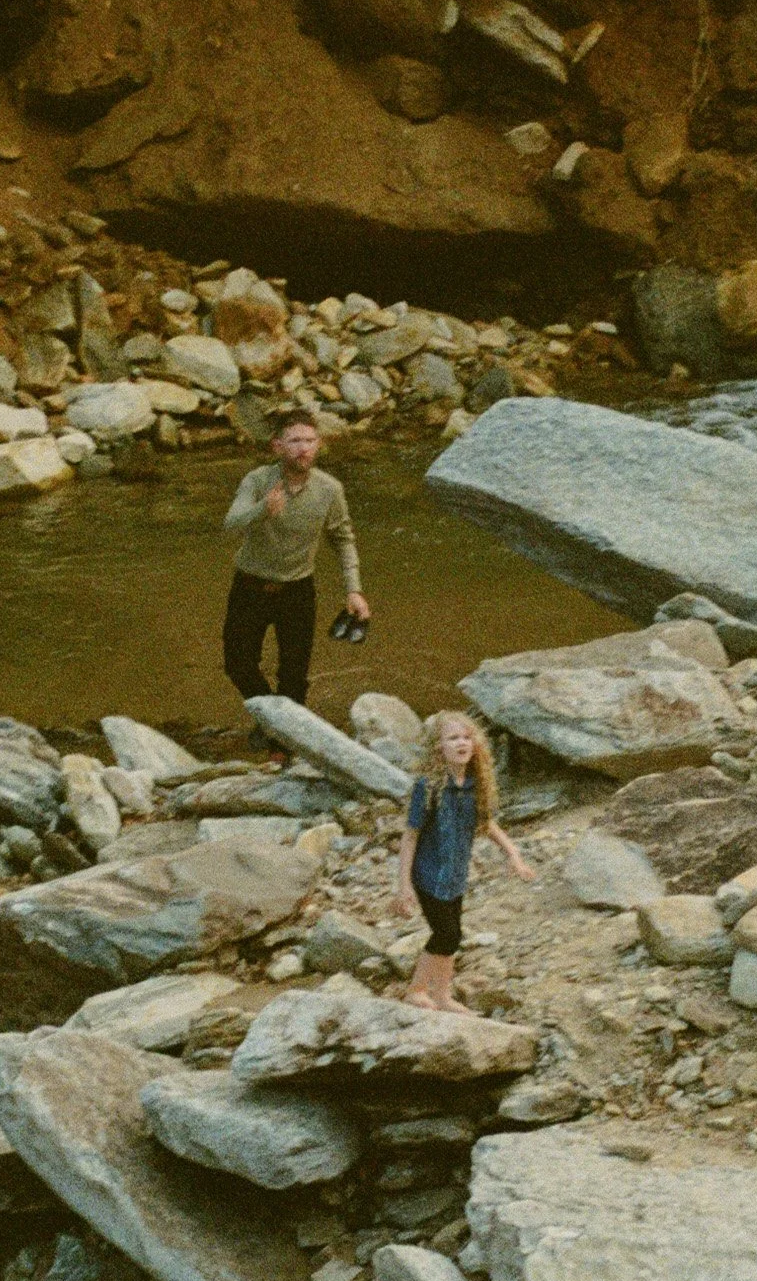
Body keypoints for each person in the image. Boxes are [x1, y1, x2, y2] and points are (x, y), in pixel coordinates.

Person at [220, 412, 368, 721]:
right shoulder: (258, 481)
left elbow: (343, 538)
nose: (304, 448)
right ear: (277, 446)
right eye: (295, 441)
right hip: (250, 586)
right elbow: (231, 522)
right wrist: (262, 509)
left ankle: (282, 748)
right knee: (238, 666)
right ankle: (275, 721)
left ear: (319, 445)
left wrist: (354, 590)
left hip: (297, 591)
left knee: (294, 675)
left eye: (310, 441)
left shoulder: (329, 489)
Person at [397, 710, 535, 1009]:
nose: (462, 743)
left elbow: (487, 825)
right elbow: (410, 837)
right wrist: (403, 885)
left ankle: (441, 995)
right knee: (447, 934)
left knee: (452, 936)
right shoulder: (428, 786)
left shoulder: (475, 784)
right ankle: (417, 990)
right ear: (439, 748)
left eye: (467, 737)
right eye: (453, 738)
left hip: (456, 875)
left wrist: (514, 855)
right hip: (428, 874)